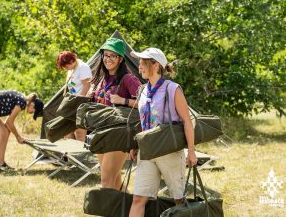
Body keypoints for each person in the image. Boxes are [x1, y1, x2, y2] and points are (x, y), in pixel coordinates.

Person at [128, 48, 197, 216]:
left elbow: (187, 121)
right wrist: (136, 145)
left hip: (169, 150)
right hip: (147, 151)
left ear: (156, 65)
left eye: (143, 63)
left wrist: (191, 151)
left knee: (178, 199)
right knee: (138, 199)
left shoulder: (172, 89)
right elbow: (142, 121)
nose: (139, 67)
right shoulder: (142, 90)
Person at [89, 37, 141, 190]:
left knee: (106, 180)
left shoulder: (128, 79)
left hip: (119, 134)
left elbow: (147, 104)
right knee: (115, 178)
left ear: (120, 59)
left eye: (113, 55)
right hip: (100, 133)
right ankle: (128, 210)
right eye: (105, 55)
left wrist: (123, 100)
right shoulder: (102, 79)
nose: (108, 59)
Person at [0, 90, 44, 171]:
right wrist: (18, 137)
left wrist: (17, 135)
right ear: (32, 105)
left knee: (6, 131)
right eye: (34, 112)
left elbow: (8, 122)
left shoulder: (22, 101)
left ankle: (1, 164)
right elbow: (9, 122)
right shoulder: (21, 102)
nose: (32, 113)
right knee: (0, 133)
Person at [56, 51, 92, 141]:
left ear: (72, 61)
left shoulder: (82, 67)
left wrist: (77, 102)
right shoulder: (71, 69)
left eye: (65, 66)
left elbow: (87, 86)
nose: (65, 68)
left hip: (80, 104)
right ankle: (70, 154)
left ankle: (81, 154)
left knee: (79, 132)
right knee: (67, 132)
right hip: (72, 104)